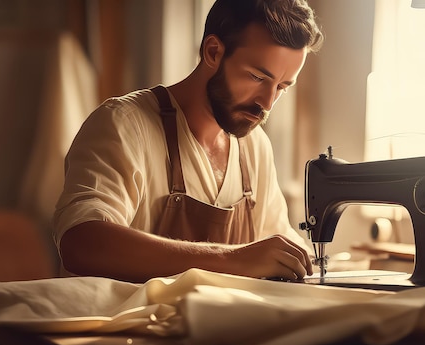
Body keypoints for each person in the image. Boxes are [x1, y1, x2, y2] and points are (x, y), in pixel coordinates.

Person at [53, 0, 324, 283]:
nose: (267, 103)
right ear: (213, 52)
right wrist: (231, 260)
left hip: (215, 326)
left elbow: (276, 243)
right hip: (128, 324)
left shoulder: (255, 148)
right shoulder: (124, 125)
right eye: (257, 77)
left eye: (281, 87)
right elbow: (81, 242)